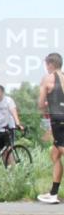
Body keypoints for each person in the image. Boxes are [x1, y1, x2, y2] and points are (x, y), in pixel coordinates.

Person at [37, 52, 64, 204]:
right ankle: (53, 193)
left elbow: (41, 104)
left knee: (61, 151)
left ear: (50, 64)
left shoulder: (47, 79)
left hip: (58, 120)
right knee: (55, 155)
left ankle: (53, 194)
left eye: (46, 65)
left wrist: (46, 104)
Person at [0, 85, 25, 166]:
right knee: (2, 151)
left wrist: (18, 124)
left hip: (8, 128)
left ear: (2, 93)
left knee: (9, 149)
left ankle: (12, 169)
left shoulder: (8, 101)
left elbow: (14, 112)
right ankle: (7, 168)